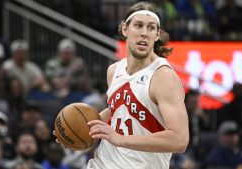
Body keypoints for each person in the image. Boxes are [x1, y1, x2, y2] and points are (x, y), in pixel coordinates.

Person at [54, 2, 189, 169]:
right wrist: (73, 131)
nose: (144, 33)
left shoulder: (163, 77)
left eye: (151, 28)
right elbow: (118, 110)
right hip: (102, 164)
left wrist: (120, 139)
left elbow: (180, 139)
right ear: (125, 29)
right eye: (138, 26)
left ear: (157, 35)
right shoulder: (114, 70)